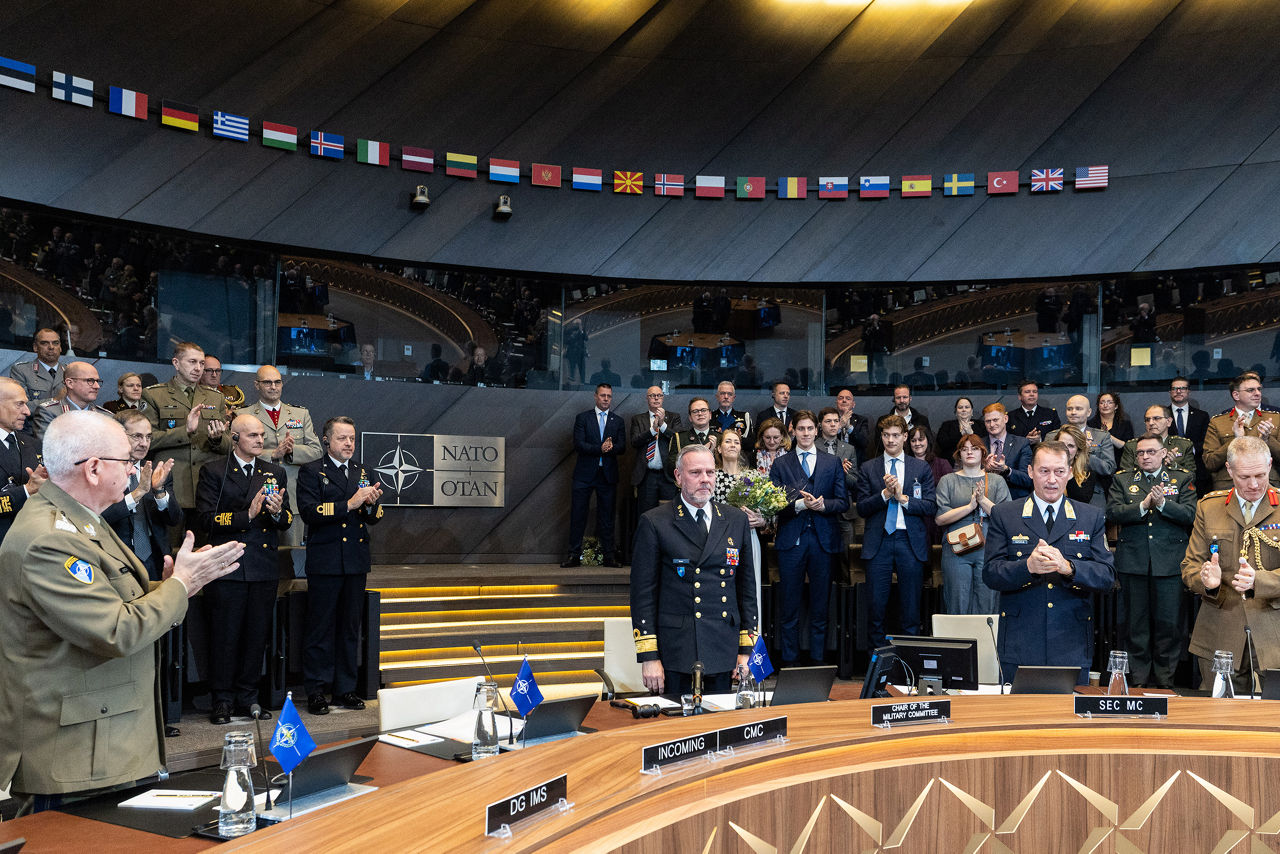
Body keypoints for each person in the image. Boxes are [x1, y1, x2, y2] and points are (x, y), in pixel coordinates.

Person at [0, 410, 243, 808]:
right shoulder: (49, 540)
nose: (134, 472)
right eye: (127, 462)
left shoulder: (80, 522)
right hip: (76, 760)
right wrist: (182, 585)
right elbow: (116, 630)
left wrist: (167, 586)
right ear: (93, 468)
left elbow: (111, 595)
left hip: (102, 744)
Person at [983, 441, 1116, 683]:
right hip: (1020, 641)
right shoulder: (1005, 514)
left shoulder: (1091, 516)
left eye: (1059, 471)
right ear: (1031, 471)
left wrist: (1070, 568)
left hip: (1071, 642)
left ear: (1070, 473)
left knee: (1069, 719)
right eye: (1044, 471)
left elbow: (1107, 577)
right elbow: (991, 573)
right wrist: (1027, 568)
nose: (1052, 479)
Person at [631, 445, 758, 695]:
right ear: (678, 477)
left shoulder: (735, 520)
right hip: (676, 649)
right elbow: (642, 594)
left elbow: (747, 591)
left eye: (710, 472)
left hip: (723, 647)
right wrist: (649, 656)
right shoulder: (655, 521)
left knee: (720, 728)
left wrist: (746, 651)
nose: (705, 480)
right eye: (696, 472)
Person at [196, 413, 292, 724]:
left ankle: (248, 696)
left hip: (263, 567)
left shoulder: (274, 472)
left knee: (256, 636)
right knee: (225, 636)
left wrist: (277, 514)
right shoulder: (214, 471)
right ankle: (222, 699)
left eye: (263, 435)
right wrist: (246, 515)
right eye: (253, 435)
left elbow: (287, 518)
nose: (261, 440)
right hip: (228, 566)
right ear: (235, 438)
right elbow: (206, 519)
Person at [101, 410, 183, 736]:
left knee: (156, 643)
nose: (144, 443)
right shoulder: (107, 470)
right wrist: (138, 494)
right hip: (117, 567)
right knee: (126, 645)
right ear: (121, 436)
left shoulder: (156, 470)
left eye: (148, 437)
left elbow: (174, 518)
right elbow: (102, 516)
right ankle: (126, 721)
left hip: (153, 566)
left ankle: (158, 719)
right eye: (136, 436)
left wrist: (159, 492)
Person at [298, 417, 384, 716]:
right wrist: (349, 503)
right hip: (326, 560)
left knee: (349, 628)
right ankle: (317, 690)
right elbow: (309, 511)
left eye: (352, 438)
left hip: (355, 561)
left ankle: (345, 688)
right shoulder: (312, 472)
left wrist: (371, 504)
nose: (349, 444)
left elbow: (373, 516)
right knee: (320, 629)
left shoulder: (363, 471)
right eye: (342, 438)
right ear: (326, 440)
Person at [1181, 436, 1280, 692]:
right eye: (1244, 477)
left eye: (1259, 474)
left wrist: (1260, 581)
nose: (1254, 484)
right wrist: (1208, 583)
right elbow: (1190, 567)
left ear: (1270, 465)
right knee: (1218, 718)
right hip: (1220, 631)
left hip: (1274, 633)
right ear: (1229, 470)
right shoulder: (1209, 507)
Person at [1107, 433, 1196, 689]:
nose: (1145, 456)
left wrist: (1164, 504)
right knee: (1135, 626)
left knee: (1169, 626)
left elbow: (1190, 514)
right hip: (1133, 564)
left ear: (1163, 454)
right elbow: (1112, 511)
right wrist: (1143, 506)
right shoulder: (1123, 480)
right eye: (1141, 453)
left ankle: (1165, 682)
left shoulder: (1181, 478)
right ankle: (1138, 683)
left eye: (1150, 452)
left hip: (1168, 564)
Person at [771, 411, 849, 664]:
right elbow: (772, 505)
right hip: (791, 540)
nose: (805, 433)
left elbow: (843, 502)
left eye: (809, 429)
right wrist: (801, 505)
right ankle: (790, 666)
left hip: (823, 540)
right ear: (792, 431)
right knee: (789, 607)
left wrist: (824, 506)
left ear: (817, 431)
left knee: (820, 608)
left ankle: (818, 664)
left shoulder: (832, 462)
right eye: (800, 429)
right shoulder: (781, 464)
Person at [855, 414, 936, 649]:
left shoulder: (920, 467)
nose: (891, 440)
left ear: (905, 436)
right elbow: (861, 507)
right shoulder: (868, 467)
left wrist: (902, 498)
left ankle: (907, 667)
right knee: (876, 609)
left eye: (896, 435)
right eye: (887, 435)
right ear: (881, 437)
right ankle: (875, 668)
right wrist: (884, 496)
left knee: (910, 610)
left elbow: (930, 506)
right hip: (878, 542)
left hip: (909, 542)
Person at [142, 342, 231, 537]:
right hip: (170, 488)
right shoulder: (154, 395)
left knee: (203, 553)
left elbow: (228, 446)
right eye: (192, 362)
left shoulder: (215, 398)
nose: (198, 368)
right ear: (176, 363)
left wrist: (217, 439)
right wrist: (185, 431)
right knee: (168, 554)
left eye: (201, 363)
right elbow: (146, 441)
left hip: (206, 489)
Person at [240, 365, 323, 548]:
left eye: (277, 382)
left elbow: (317, 451)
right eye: (267, 382)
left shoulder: (300, 414)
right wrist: (273, 454)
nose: (273, 387)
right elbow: (235, 452)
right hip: (253, 493)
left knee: (290, 557)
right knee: (253, 550)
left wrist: (291, 452)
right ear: (257, 385)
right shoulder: (242, 414)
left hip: (291, 496)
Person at [935, 435, 1009, 615]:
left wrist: (983, 501)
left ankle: (986, 643)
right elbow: (940, 518)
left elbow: (1005, 517)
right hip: (956, 550)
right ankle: (959, 643)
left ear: (983, 452)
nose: (969, 452)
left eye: (974, 448)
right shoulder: (948, 480)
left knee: (987, 601)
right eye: (964, 448)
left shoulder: (996, 480)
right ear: (958, 454)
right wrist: (970, 507)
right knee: (957, 601)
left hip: (989, 548)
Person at [563, 384, 627, 568]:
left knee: (607, 518)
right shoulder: (583, 418)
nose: (606, 399)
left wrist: (611, 447)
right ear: (595, 397)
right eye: (603, 395)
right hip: (584, 474)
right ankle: (573, 555)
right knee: (578, 515)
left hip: (607, 475)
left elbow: (622, 447)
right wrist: (599, 448)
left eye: (609, 396)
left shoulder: (618, 420)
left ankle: (609, 556)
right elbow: (579, 445)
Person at [1203, 371, 1280, 490]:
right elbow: (1210, 463)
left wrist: (1268, 440)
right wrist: (1235, 440)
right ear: (1236, 395)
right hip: (1229, 487)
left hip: (1268, 485)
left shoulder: (1275, 419)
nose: (1258, 393)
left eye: (1259, 389)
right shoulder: (1218, 422)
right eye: (1251, 390)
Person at [0, 377, 45, 542]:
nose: (27, 411)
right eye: (19, 404)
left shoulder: (34, 444)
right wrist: (27, 490)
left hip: (31, 542)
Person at [630, 386, 681, 516]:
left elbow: (678, 439)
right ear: (647, 398)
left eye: (659, 395)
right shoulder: (638, 419)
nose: (656, 398)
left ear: (663, 398)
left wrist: (662, 425)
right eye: (652, 395)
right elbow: (634, 442)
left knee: (669, 515)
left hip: (668, 476)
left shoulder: (674, 417)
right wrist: (652, 431)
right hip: (646, 476)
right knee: (647, 515)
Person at [30, 361, 111, 440]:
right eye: (90, 381)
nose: (97, 386)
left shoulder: (106, 417)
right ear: (70, 383)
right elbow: (46, 449)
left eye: (98, 381)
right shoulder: (49, 412)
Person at [1118, 405, 1195, 476]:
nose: (1151, 423)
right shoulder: (1132, 446)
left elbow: (1191, 477)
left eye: (1156, 418)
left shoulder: (1183, 445)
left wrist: (1174, 466)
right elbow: (1125, 476)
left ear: (1168, 421)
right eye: (1147, 420)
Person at [908, 424, 951, 546]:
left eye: (921, 439)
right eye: (913, 440)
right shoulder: (904, 465)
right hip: (913, 518)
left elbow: (949, 493)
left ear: (928, 440)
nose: (917, 443)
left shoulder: (942, 464)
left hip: (936, 518)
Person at [981, 403, 1033, 499]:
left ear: (1005, 419)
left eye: (995, 420)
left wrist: (1006, 470)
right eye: (988, 421)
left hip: (1014, 500)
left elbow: (1027, 479)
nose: (992, 424)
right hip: (985, 498)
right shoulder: (979, 445)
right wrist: (984, 470)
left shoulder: (1021, 443)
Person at [1169, 376, 1210, 491]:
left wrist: (1187, 450)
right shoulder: (1162, 415)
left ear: (1188, 391)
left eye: (1182, 388)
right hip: (1168, 469)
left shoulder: (1202, 416)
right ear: (1170, 392)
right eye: (1175, 388)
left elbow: (1206, 441)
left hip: (1197, 469)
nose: (1178, 391)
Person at [8, 327, 67, 403]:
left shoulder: (70, 371)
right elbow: (21, 405)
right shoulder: (21, 371)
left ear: (60, 348)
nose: (51, 347)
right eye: (45, 343)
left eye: (55, 343)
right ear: (35, 347)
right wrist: (54, 400)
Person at [1050, 424, 1102, 508]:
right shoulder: (1043, 469)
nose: (1065, 449)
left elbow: (1081, 502)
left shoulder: (1087, 474)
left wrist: (1069, 476)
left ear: (1078, 451)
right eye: (1061, 444)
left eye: (1071, 446)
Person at [934, 396, 986, 463]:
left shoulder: (980, 425)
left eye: (967, 407)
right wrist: (961, 434)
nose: (964, 410)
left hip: (977, 462)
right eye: (960, 407)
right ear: (956, 411)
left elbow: (985, 443)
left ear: (971, 411)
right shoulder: (947, 425)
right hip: (952, 462)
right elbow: (942, 444)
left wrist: (971, 433)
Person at [1090, 391, 1133, 469]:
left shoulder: (1125, 424)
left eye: (1109, 402)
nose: (1105, 405)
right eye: (1102, 403)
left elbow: (1128, 447)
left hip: (1120, 465)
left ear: (1116, 406)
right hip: (1096, 467)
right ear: (1098, 406)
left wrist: (1106, 435)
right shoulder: (1090, 424)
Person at [833, 388, 871, 465]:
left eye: (848, 398)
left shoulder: (861, 420)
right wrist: (840, 426)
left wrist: (849, 428)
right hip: (834, 460)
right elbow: (824, 440)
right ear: (836, 403)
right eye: (841, 398)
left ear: (853, 404)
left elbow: (864, 443)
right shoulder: (830, 419)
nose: (844, 400)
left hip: (856, 462)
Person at [712, 429, 749, 503]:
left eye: (737, 443)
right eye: (728, 442)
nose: (733, 445)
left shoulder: (752, 476)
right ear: (719, 449)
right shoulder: (712, 477)